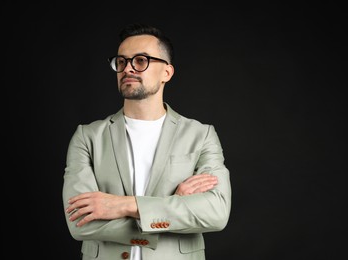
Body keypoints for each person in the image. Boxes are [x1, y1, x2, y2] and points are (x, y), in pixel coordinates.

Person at [62, 23, 232, 260]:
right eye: (121, 62)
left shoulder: (201, 135)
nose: (128, 69)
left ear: (167, 73)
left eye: (141, 60)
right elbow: (79, 222)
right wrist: (171, 207)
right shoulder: (87, 137)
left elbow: (216, 212)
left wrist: (123, 205)